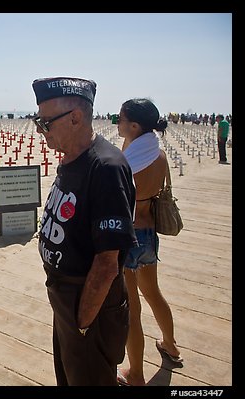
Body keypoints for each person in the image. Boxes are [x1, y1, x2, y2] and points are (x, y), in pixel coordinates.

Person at [31, 77, 137, 386]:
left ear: (75, 118)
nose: (41, 129)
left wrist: (82, 325)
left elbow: (106, 265)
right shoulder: (71, 156)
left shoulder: (106, 168)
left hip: (88, 304)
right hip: (66, 299)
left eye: (45, 122)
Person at [115, 98, 183, 386]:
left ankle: (136, 374)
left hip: (129, 234)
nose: (116, 122)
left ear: (133, 125)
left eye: (120, 118)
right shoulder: (159, 155)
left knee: (132, 306)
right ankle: (170, 345)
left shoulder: (128, 157)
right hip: (149, 233)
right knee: (153, 293)